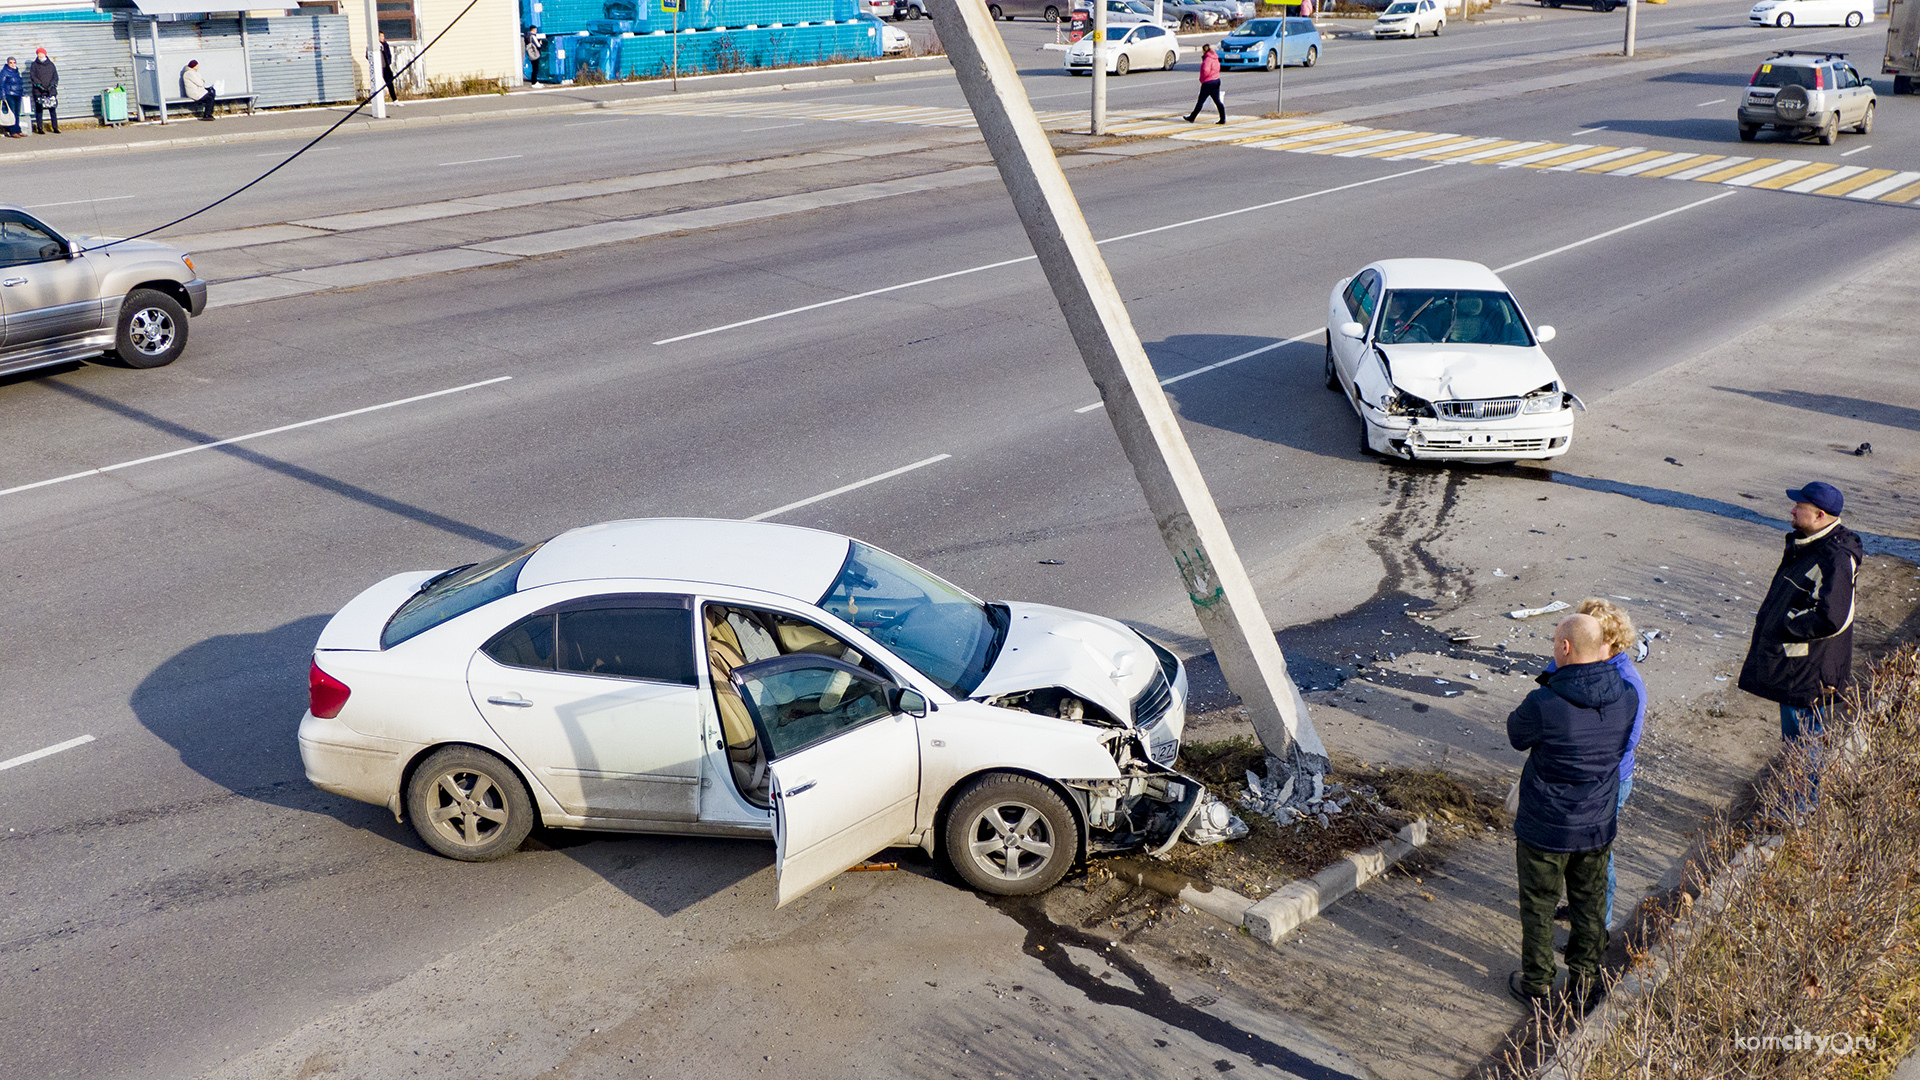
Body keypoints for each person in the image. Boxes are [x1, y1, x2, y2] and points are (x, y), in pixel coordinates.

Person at [1507, 613, 1638, 1010]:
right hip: (1597, 823)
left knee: (1539, 904)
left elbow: (1516, 734)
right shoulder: (1627, 696)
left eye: (1554, 643)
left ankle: (1538, 982)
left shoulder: (1545, 703)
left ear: (1564, 647)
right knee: (1590, 904)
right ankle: (1584, 981)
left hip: (1546, 826)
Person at [1737, 482, 1861, 795]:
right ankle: (1799, 800)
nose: (1792, 510)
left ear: (1820, 514)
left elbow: (1834, 616)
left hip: (1806, 668)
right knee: (1799, 740)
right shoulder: (1808, 543)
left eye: (1799, 507)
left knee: (1803, 741)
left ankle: (1801, 805)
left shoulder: (1835, 556)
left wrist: (1786, 624)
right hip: (1798, 664)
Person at [1541, 598, 1646, 931]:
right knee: (1578, 849)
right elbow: (1546, 687)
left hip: (1606, 779)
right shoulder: (1577, 660)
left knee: (1597, 854)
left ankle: (1598, 926)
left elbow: (1627, 740)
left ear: (1608, 642)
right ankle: (1580, 908)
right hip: (1576, 774)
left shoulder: (1628, 683)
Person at [1184, 43, 1225, 125]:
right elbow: (1217, 68)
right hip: (1216, 80)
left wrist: (1202, 79)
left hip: (1208, 83)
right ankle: (1223, 118)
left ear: (1204, 50)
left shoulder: (1207, 60)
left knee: (1200, 101)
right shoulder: (1215, 58)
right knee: (1217, 101)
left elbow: (1205, 71)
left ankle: (1192, 117)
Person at [28, 46, 56, 135]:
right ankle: (40, 128)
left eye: (41, 53)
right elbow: (33, 76)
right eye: (38, 54)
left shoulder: (51, 64)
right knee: (39, 109)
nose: (40, 55)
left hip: (50, 90)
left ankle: (55, 127)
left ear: (45, 54)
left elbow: (55, 76)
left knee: (52, 109)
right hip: (38, 90)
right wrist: (39, 85)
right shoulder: (34, 65)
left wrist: (52, 85)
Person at [0, 58, 23, 139]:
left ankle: (18, 130)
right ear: (8, 63)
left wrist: (22, 92)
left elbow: (19, 83)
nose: (13, 64)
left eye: (14, 62)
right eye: (11, 63)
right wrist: (3, 96)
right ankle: (12, 131)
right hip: (9, 94)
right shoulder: (4, 72)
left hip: (17, 94)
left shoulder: (16, 71)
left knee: (17, 113)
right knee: (12, 113)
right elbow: (1, 84)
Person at [379, 33, 400, 105]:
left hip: (385, 67)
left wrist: (389, 62)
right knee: (378, 84)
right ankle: (378, 101)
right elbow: (367, 55)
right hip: (378, 68)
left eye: (383, 36)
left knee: (390, 82)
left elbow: (389, 54)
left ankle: (395, 99)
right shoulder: (373, 46)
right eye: (381, 36)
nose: (383, 38)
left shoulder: (385, 45)